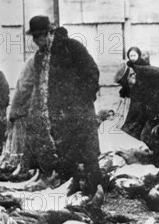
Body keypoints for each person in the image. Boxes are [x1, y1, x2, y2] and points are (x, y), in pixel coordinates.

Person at [20, 15, 101, 195]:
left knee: (86, 150)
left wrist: (83, 100)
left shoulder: (71, 47)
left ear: (50, 33)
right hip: (56, 112)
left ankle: (94, 190)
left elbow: (92, 72)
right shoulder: (40, 56)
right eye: (34, 37)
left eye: (39, 36)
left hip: (78, 109)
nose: (36, 41)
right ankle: (70, 189)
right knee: (64, 150)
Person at [115, 62, 159, 165]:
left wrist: (158, 121)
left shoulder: (152, 76)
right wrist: (125, 134)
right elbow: (135, 114)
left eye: (128, 84)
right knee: (147, 134)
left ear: (132, 74)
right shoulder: (137, 80)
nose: (129, 87)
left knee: (155, 134)